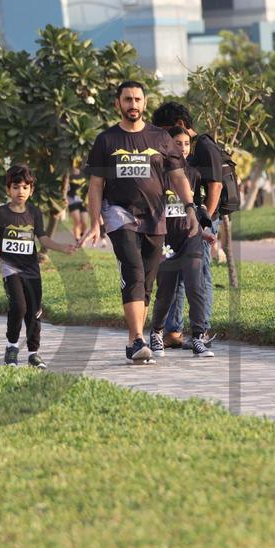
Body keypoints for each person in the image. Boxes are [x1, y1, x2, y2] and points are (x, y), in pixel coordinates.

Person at [81, 80, 198, 365]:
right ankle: (137, 339)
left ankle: (134, 342)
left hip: (156, 217)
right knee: (133, 270)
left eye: (137, 99)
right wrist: (95, 222)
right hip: (119, 213)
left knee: (146, 281)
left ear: (145, 103)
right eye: (127, 99)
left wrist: (190, 208)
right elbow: (95, 185)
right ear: (117, 104)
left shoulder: (161, 138)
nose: (133, 104)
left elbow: (178, 176)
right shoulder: (106, 140)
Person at [0, 163, 76, 368]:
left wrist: (62, 247)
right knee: (18, 306)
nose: (21, 191)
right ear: (8, 189)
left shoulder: (34, 213)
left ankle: (33, 354)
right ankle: (11, 348)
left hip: (32, 270)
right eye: (16, 187)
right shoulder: (1, 213)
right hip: (10, 268)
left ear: (31, 190)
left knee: (34, 311)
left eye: (25, 187)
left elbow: (43, 239)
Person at [152, 101, 223, 347]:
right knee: (175, 279)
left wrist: (201, 225)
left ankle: (201, 332)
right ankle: (173, 332)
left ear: (180, 125)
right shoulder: (176, 155)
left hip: (201, 222)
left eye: (164, 130)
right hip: (177, 226)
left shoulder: (204, 146)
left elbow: (215, 186)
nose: (163, 137)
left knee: (199, 277)